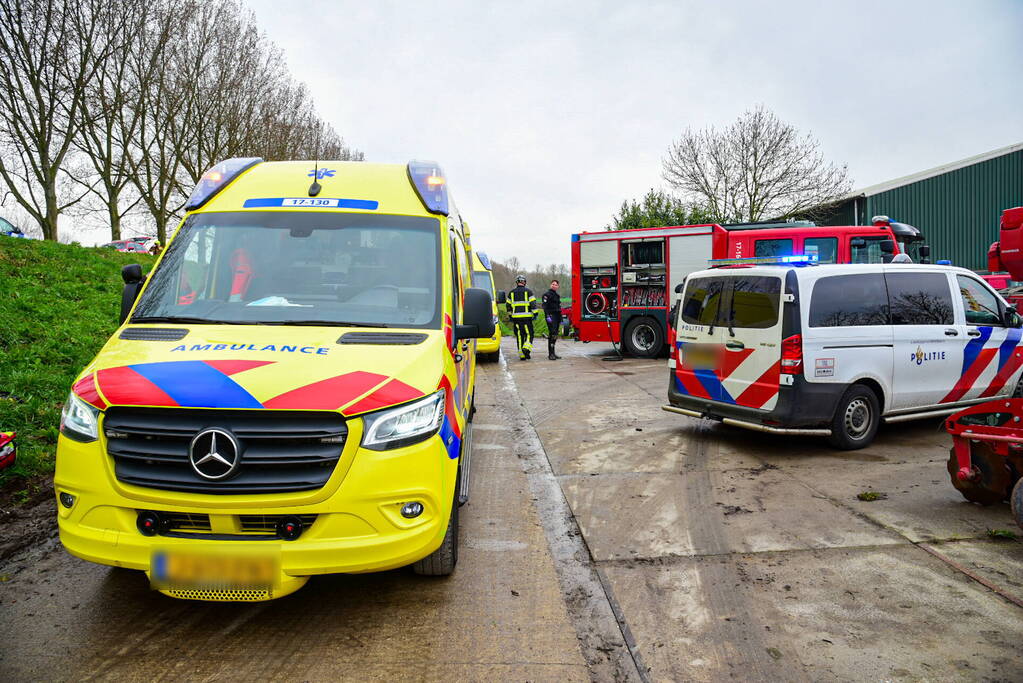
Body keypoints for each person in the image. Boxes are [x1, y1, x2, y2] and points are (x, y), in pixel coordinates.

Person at [506, 274, 537, 360]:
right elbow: (533, 304)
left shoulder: (511, 293)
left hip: (516, 318)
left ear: (517, 282)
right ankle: (526, 348)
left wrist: (510, 316)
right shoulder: (529, 292)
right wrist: (535, 314)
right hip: (527, 318)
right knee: (529, 334)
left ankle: (522, 355)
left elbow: (508, 306)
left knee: (520, 335)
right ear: (524, 282)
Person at [541, 279, 563, 360]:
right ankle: (550, 354)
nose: (554, 285)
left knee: (555, 335)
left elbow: (559, 308)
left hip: (557, 316)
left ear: (558, 286)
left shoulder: (557, 295)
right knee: (552, 334)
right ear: (550, 285)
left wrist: (561, 318)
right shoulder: (546, 295)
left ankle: (553, 352)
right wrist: (547, 316)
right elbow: (544, 307)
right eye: (553, 284)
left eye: (556, 284)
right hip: (551, 316)